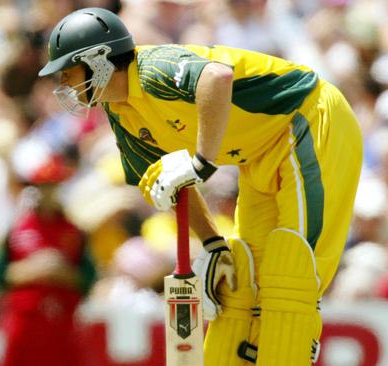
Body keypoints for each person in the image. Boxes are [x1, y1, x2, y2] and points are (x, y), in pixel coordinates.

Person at [38, 7, 362, 366]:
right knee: (242, 276)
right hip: (257, 154)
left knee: (291, 267)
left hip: (308, 120)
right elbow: (168, 186)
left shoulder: (151, 68)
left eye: (68, 72)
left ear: (98, 60)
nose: (64, 85)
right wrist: (211, 243)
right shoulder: (121, 113)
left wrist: (201, 162)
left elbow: (217, 78)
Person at [0, 155, 96, 366]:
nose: (46, 193)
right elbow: (1, 277)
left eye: (52, 187)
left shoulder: (74, 232)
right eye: (41, 187)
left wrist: (60, 271)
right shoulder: (17, 229)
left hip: (62, 322)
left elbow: (88, 279)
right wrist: (35, 269)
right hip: (25, 321)